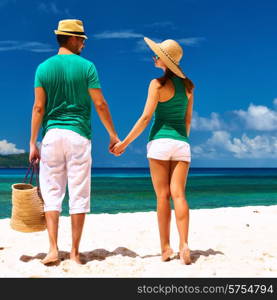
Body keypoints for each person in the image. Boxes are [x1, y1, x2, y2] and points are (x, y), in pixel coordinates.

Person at [29, 19, 120, 265]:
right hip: (78, 136)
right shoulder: (87, 67)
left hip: (52, 136)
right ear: (70, 38)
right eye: (81, 39)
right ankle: (74, 253)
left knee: (52, 193)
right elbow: (100, 104)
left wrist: (32, 142)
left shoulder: (43, 68)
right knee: (79, 194)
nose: (83, 44)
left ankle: (52, 249)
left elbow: (39, 108)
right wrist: (112, 134)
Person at [112, 37, 194, 264]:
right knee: (179, 194)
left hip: (160, 142)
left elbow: (146, 117)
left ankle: (166, 248)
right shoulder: (189, 87)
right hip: (181, 143)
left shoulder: (156, 84)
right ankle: (184, 243)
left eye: (157, 55)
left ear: (165, 62)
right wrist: (181, 141)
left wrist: (124, 143)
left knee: (162, 196)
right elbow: (187, 121)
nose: (154, 57)